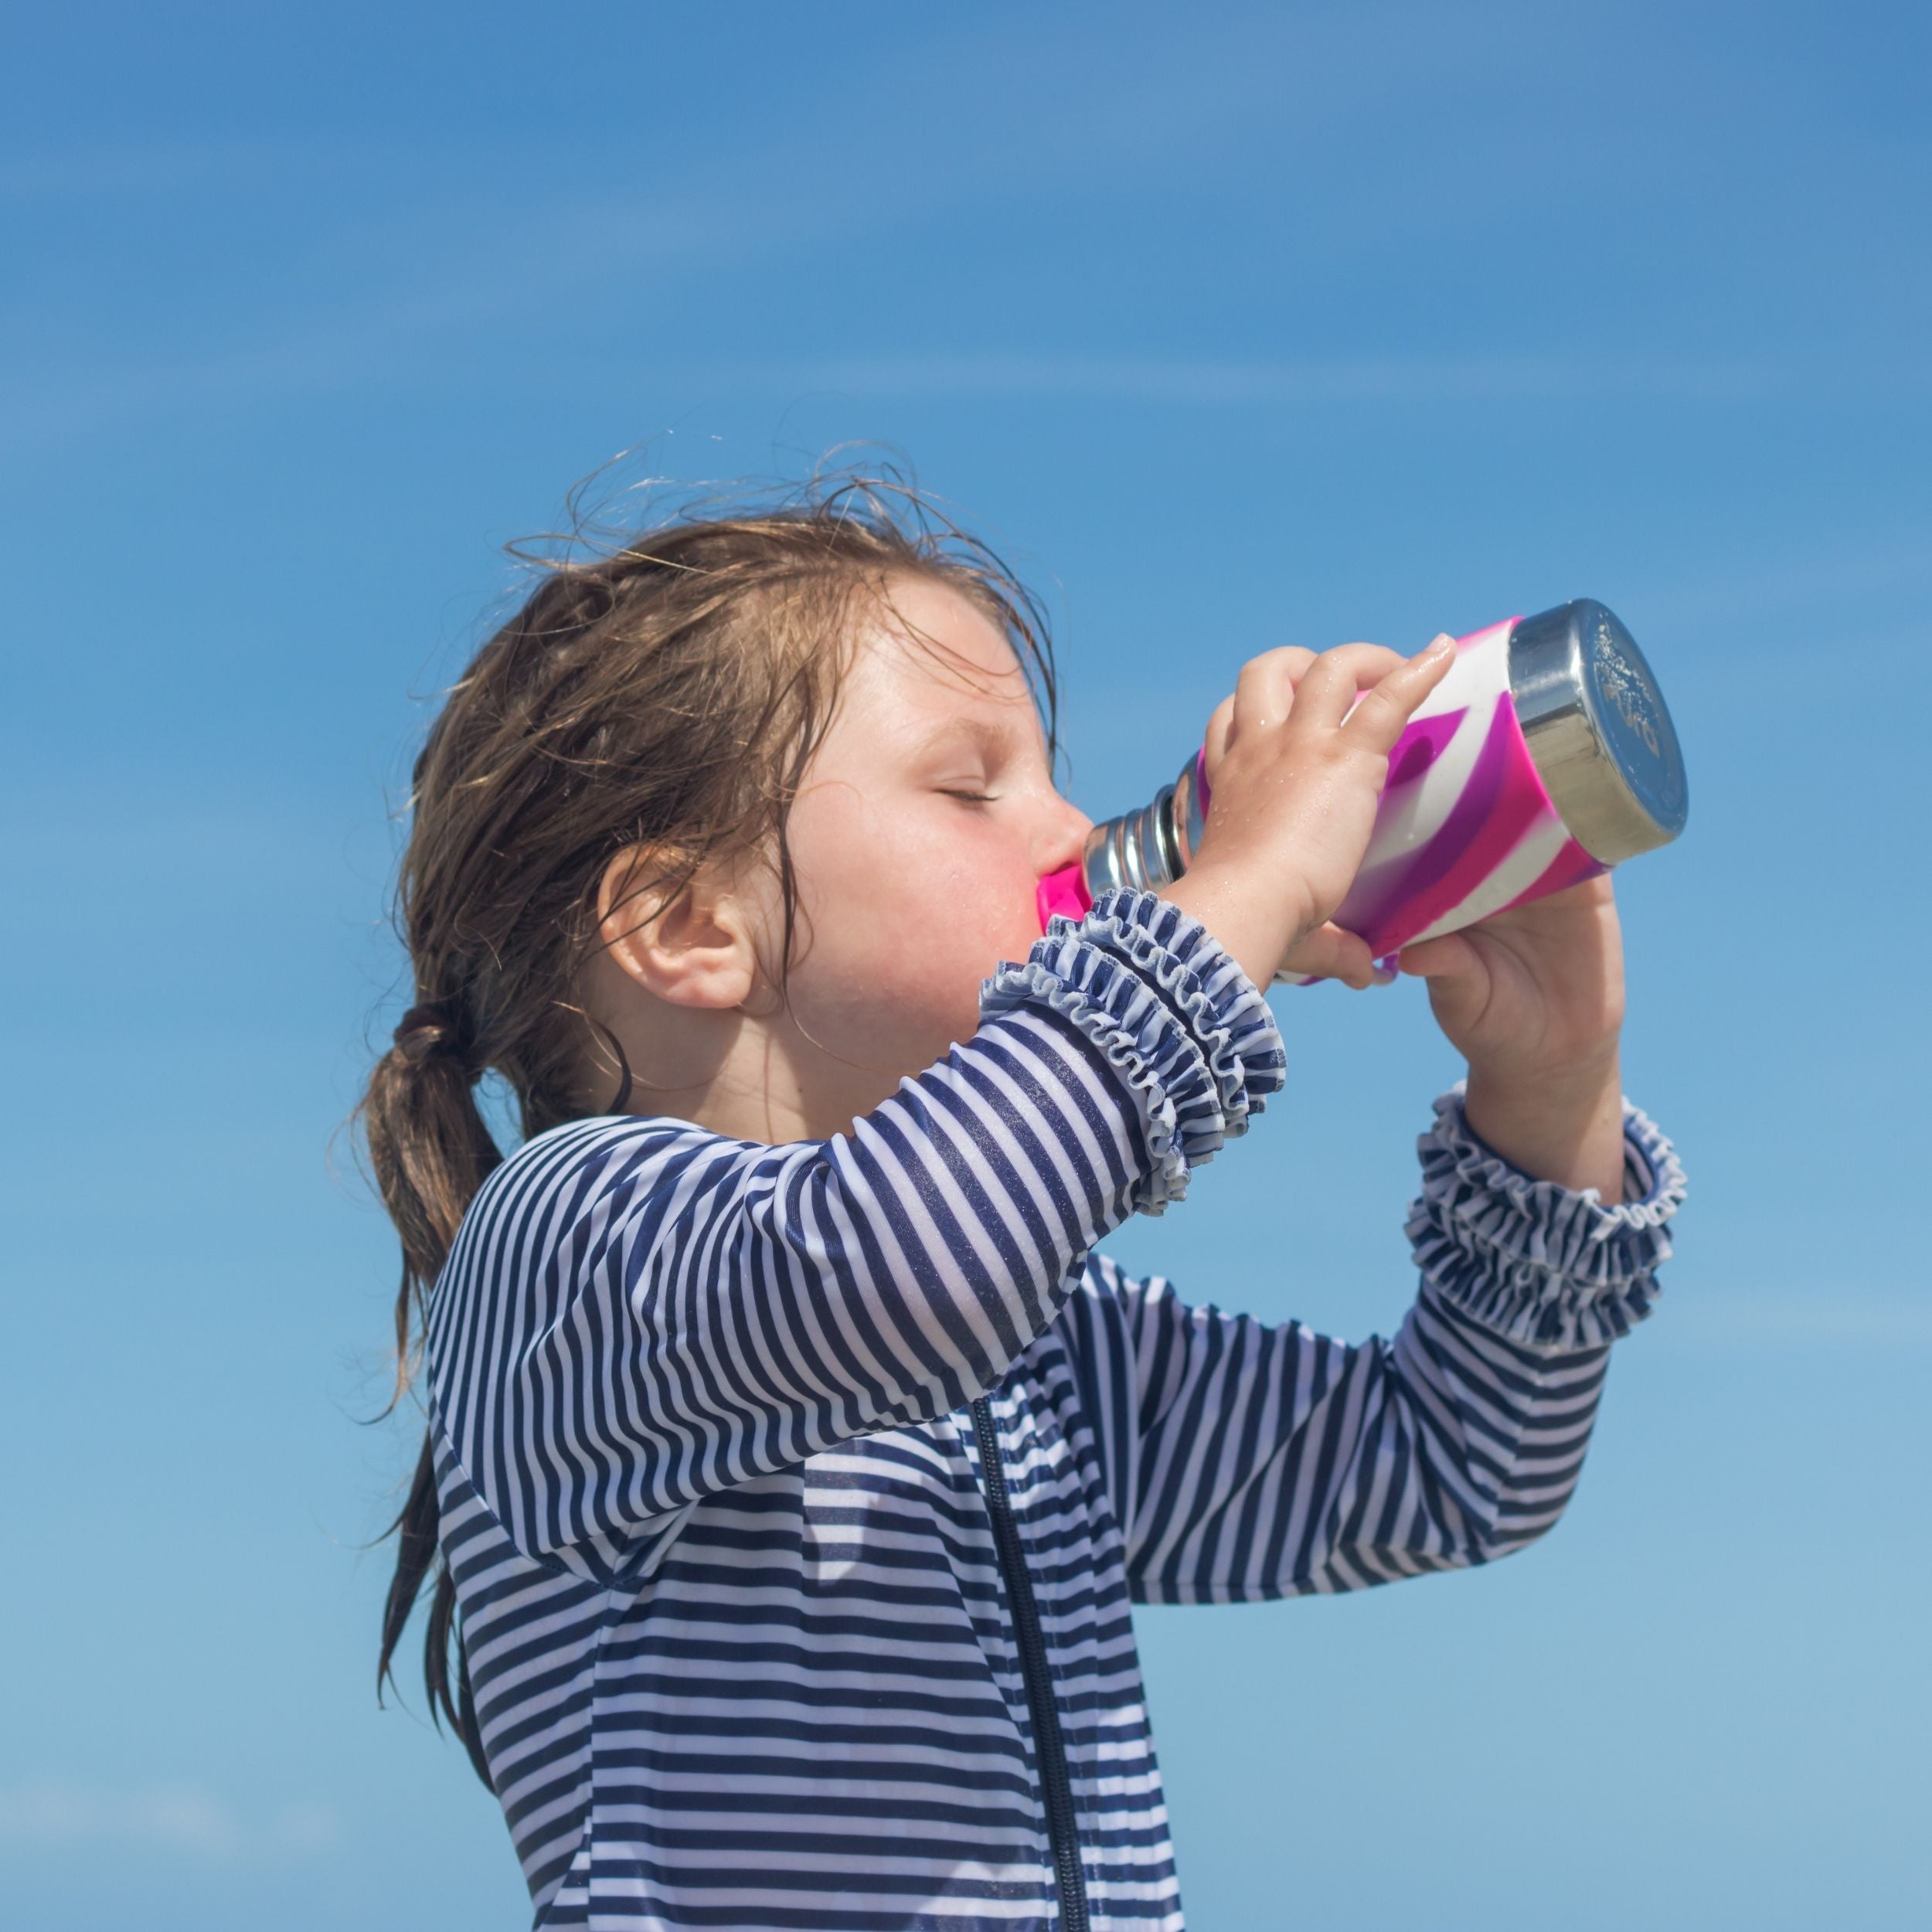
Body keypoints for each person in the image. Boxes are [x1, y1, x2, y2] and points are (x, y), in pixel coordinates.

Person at [361, 478, 1684, 1932]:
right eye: (971, 786)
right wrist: (1243, 889)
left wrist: (1556, 1089)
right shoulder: (570, 1251)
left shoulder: (1044, 1347)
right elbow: (898, 1274)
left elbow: (1458, 1468)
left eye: (1052, 777)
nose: (1067, 829)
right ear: (689, 924)